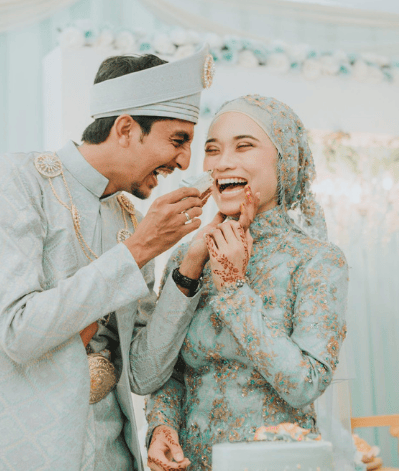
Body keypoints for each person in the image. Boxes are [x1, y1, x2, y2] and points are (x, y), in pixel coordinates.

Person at [0, 46, 224, 471]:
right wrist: (139, 249)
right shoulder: (16, 182)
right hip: (16, 450)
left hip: (109, 453)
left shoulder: (131, 218)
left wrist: (187, 268)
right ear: (127, 128)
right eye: (177, 140)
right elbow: (19, 331)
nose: (186, 160)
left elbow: (142, 373)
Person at [144, 95, 349, 471]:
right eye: (212, 149)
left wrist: (234, 286)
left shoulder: (316, 260)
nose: (223, 162)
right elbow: (168, 371)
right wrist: (161, 425)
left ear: (283, 159)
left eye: (244, 146)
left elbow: (304, 383)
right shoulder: (189, 256)